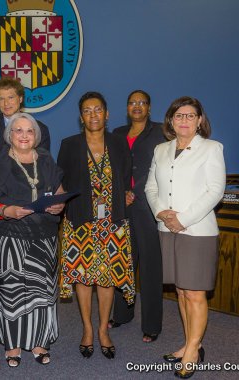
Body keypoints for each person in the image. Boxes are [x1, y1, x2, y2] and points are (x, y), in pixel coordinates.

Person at [145, 96, 225, 378]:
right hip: (167, 229)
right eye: (179, 115)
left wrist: (183, 218)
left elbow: (215, 191)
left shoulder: (212, 149)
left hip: (197, 231)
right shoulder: (161, 150)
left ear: (200, 120)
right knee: (180, 290)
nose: (184, 120)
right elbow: (151, 187)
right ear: (170, 120)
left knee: (195, 292)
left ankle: (192, 350)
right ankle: (193, 343)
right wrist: (162, 213)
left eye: (190, 116)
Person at [57, 91, 135, 360]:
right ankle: (87, 330)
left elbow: (126, 176)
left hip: (111, 222)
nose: (93, 115)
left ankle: (103, 330)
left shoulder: (119, 143)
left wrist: (126, 194)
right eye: (87, 111)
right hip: (80, 222)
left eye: (98, 109)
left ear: (107, 114)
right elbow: (61, 181)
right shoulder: (69, 145)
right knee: (82, 278)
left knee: (107, 277)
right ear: (81, 117)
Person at [0, 112, 64, 367]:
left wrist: (58, 206)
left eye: (29, 131)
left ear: (36, 136)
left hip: (44, 238)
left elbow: (60, 194)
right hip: (10, 237)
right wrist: (6, 211)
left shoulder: (47, 159)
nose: (23, 135)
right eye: (18, 130)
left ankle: (40, 342)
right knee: (13, 292)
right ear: (10, 135)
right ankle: (13, 345)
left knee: (42, 291)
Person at [110, 90, 165, 343]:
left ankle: (152, 325)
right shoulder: (118, 134)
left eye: (143, 102)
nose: (137, 106)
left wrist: (135, 190)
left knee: (151, 266)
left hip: (148, 206)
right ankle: (123, 314)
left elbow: (161, 167)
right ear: (127, 107)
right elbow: (113, 168)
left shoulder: (161, 132)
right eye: (132, 102)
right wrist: (122, 192)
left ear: (150, 108)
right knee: (124, 261)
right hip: (122, 206)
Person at [0, 76, 51, 151]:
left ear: (20, 99)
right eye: (1, 99)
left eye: (10, 97)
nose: (6, 103)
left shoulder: (39, 129)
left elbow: (43, 160)